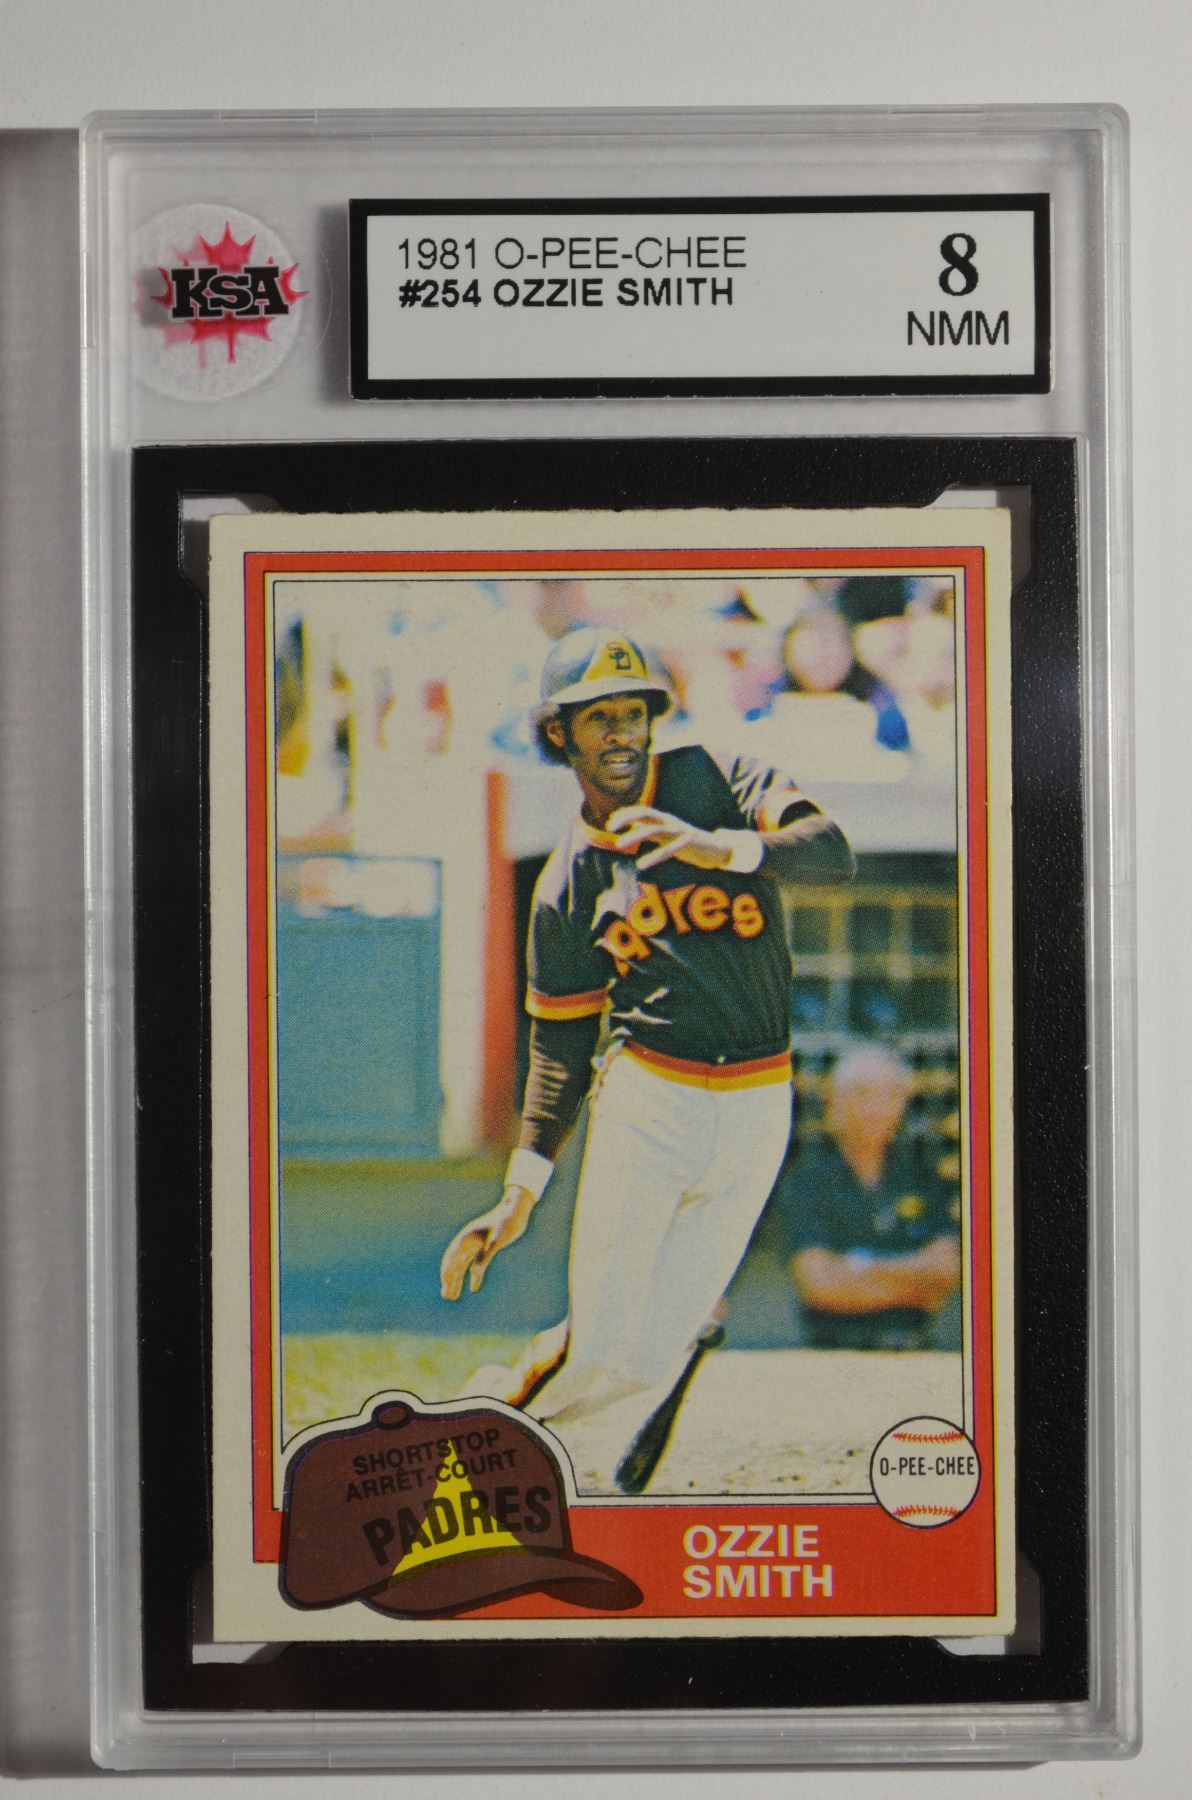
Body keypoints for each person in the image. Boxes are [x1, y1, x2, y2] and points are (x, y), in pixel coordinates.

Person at [439, 626, 855, 1490]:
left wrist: (723, 846)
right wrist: (520, 1191)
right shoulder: (569, 879)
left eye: (634, 713)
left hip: (759, 1105)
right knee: (600, 1350)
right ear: (559, 732)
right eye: (600, 717)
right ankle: (463, 1454)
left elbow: (832, 852)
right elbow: (560, 1044)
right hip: (650, 1105)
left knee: (646, 1360)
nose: (623, 733)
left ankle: (489, 1432)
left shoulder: (718, 779)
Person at [738, 1042, 961, 1352]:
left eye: (889, 1094)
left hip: (914, 1349)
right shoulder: (807, 1182)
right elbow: (819, 1285)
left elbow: (945, 1274)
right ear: (834, 1102)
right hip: (833, 1352)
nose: (875, 1108)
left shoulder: (925, 1179)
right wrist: (913, 1280)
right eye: (862, 1094)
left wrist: (857, 1267)